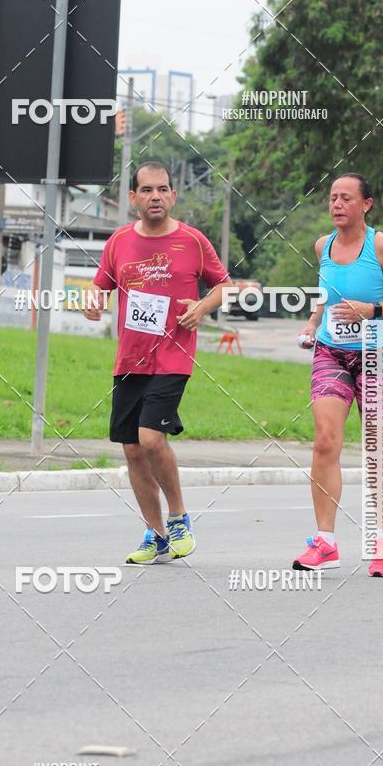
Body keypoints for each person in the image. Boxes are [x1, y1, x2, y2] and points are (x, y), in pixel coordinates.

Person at [85, 161, 231, 564]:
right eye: (146, 190)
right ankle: (156, 534)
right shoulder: (118, 242)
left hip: (173, 355)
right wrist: (93, 301)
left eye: (162, 189)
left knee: (151, 439)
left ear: (173, 195)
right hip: (130, 358)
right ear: (132, 198)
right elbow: (100, 284)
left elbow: (223, 285)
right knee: (132, 449)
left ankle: (179, 517)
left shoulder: (193, 240)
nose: (155, 197)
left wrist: (201, 308)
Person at [293, 173, 383, 578]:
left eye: (346, 198)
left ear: (366, 204)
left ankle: (382, 541)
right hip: (332, 351)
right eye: (332, 198)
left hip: (380, 352)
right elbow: (326, 293)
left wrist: (372, 310)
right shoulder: (322, 246)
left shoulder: (380, 244)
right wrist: (314, 322)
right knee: (325, 440)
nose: (337, 205)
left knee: (378, 447)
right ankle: (325, 542)